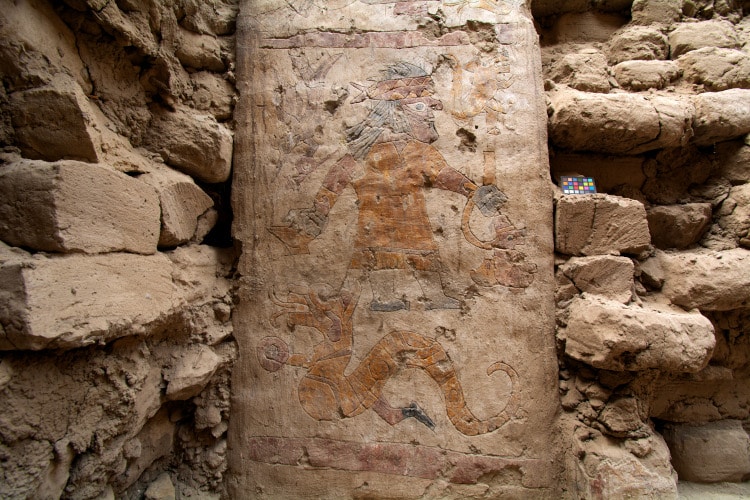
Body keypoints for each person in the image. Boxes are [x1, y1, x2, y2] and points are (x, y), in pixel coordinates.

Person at [272, 62, 507, 311]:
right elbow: (336, 181)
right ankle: (385, 299)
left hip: (413, 224)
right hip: (375, 226)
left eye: (428, 108)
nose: (429, 115)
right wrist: (317, 214)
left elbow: (444, 175)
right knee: (379, 260)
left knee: (423, 256)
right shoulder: (364, 154)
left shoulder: (420, 152)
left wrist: (472, 190)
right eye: (420, 108)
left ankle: (434, 296)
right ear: (396, 114)